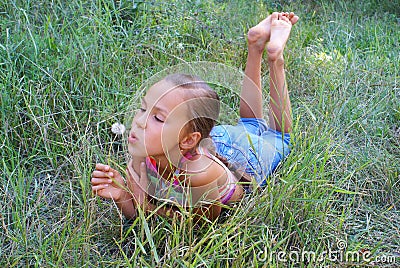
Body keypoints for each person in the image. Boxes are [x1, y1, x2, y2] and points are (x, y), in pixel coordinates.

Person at [91, 12, 299, 221]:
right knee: (250, 123)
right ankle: (255, 46)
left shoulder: (200, 174)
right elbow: (136, 217)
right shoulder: (142, 151)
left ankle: (275, 59)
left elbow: (198, 225)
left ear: (190, 138)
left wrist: (142, 202)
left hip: (246, 159)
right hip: (215, 141)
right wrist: (121, 196)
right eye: (143, 109)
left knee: (280, 136)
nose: (139, 121)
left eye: (158, 118)